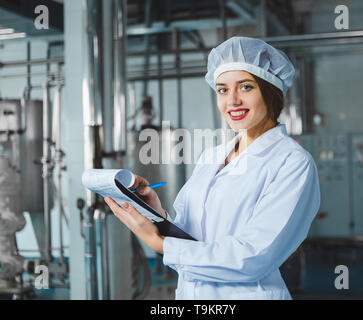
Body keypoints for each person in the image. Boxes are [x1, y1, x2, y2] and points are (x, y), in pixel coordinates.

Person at [105, 36, 321, 300]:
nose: (232, 101)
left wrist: (160, 244)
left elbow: (254, 257)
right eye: (222, 90)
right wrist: (156, 213)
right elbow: (191, 241)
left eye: (245, 87)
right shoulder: (214, 155)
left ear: (270, 91)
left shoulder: (292, 162)